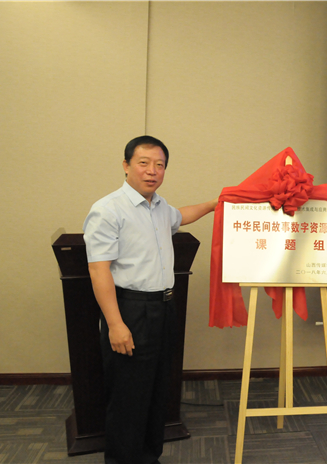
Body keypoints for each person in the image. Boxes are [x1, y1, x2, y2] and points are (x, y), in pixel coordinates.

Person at [83, 135, 217, 464]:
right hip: (130, 310)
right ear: (126, 165)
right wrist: (115, 324)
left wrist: (215, 204)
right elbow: (99, 270)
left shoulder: (159, 207)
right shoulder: (107, 209)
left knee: (157, 390)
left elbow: (181, 215)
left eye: (160, 165)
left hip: (164, 307)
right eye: (143, 163)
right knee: (128, 395)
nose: (152, 171)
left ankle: (148, 456)